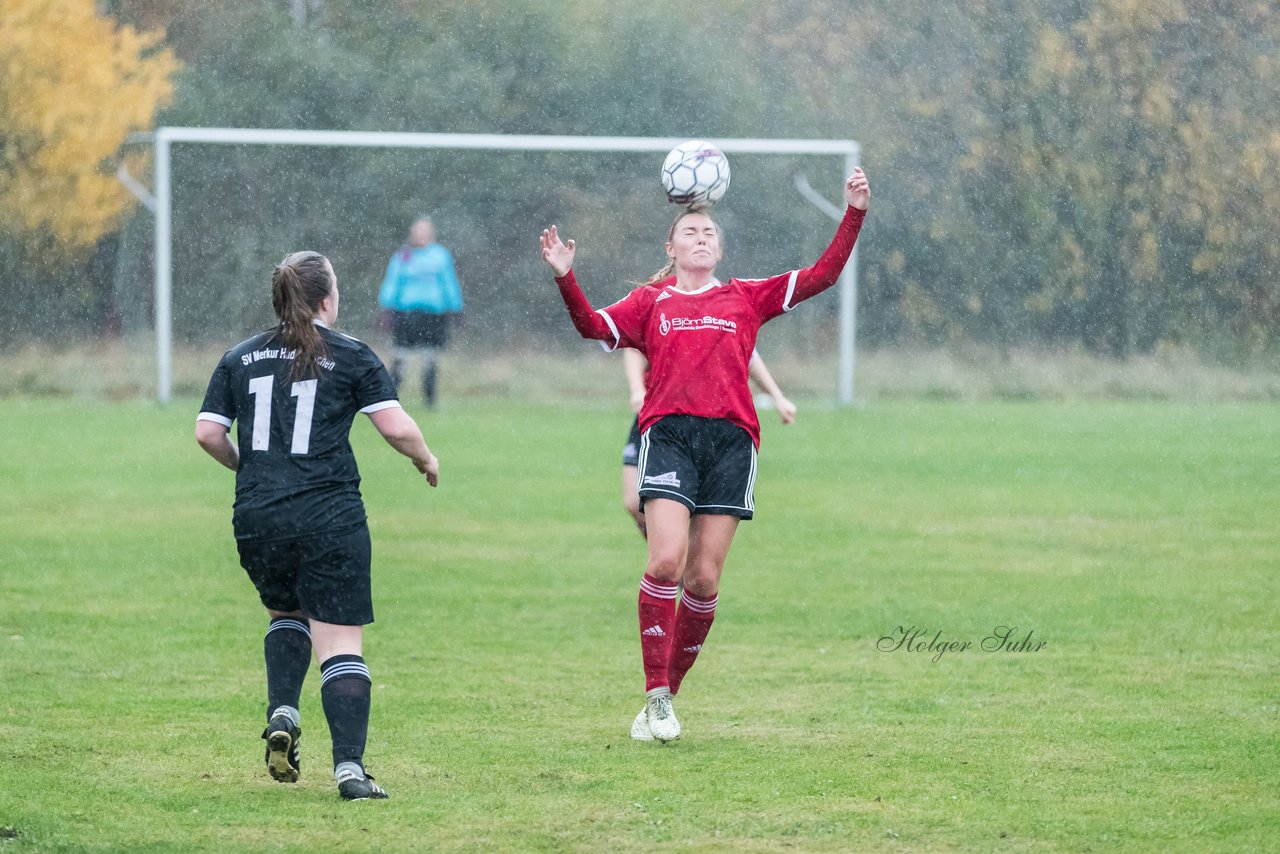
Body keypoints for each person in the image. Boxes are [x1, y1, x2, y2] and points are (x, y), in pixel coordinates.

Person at [539, 169, 870, 742]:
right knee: (664, 559)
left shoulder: (744, 297)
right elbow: (593, 327)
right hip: (669, 436)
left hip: (731, 444)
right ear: (670, 248)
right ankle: (656, 694)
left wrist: (854, 213)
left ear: (719, 247)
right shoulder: (651, 301)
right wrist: (568, 279)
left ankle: (667, 698)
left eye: (709, 232)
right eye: (689, 231)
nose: (700, 237)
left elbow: (823, 275)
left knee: (704, 580)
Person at [195, 250, 441, 800]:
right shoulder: (351, 356)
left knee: (285, 613)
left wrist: (252, 467)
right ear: (328, 298)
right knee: (341, 644)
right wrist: (425, 458)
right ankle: (350, 772)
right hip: (328, 515)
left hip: (258, 516)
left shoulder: (240, 357)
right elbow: (395, 427)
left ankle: (282, 710)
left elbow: (207, 434)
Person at [621, 346, 796, 538]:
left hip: (704, 420)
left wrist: (777, 397)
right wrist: (637, 390)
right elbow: (634, 348)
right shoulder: (662, 317)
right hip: (657, 415)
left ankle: (679, 560)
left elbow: (748, 352)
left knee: (685, 511)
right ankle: (673, 559)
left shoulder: (724, 320)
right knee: (633, 501)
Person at [377, 216, 464, 408]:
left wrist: (456, 307)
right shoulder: (403, 256)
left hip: (432, 316)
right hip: (405, 315)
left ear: (431, 234)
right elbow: (392, 282)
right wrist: (386, 308)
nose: (420, 236)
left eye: (424, 232)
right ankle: (387, 400)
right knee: (400, 357)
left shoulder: (440, 256)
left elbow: (449, 282)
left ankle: (430, 401)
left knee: (430, 357)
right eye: (417, 232)